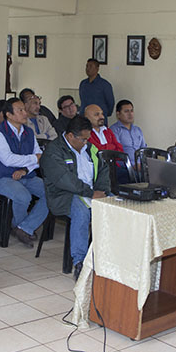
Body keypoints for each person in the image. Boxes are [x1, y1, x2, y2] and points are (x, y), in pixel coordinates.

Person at [41, 116, 110, 279]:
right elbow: (65, 180)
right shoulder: (53, 151)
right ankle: (80, 262)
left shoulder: (89, 148)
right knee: (81, 212)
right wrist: (91, 193)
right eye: (83, 139)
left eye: (88, 138)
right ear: (70, 136)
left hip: (90, 192)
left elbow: (103, 170)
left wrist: (101, 191)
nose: (86, 142)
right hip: (63, 195)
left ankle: (109, 256)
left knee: (118, 205)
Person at [0, 97, 48, 247]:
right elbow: (8, 160)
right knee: (23, 196)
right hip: (2, 177)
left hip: (26, 174)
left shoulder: (28, 132)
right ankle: (22, 227)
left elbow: (40, 157)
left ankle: (23, 227)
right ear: (9, 114)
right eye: (19, 110)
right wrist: (33, 158)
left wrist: (25, 168)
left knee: (52, 192)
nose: (24, 113)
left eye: (24, 109)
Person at [110, 99, 146, 166]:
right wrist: (132, 165)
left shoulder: (137, 130)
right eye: (126, 111)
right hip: (125, 167)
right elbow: (117, 153)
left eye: (131, 111)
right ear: (118, 114)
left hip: (141, 166)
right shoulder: (114, 130)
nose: (130, 114)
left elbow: (144, 150)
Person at [78, 58, 114, 124]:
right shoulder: (83, 83)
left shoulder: (104, 84)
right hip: (84, 119)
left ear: (97, 69)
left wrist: (104, 113)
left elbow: (110, 103)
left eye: (90, 66)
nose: (88, 68)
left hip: (99, 119)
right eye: (87, 66)